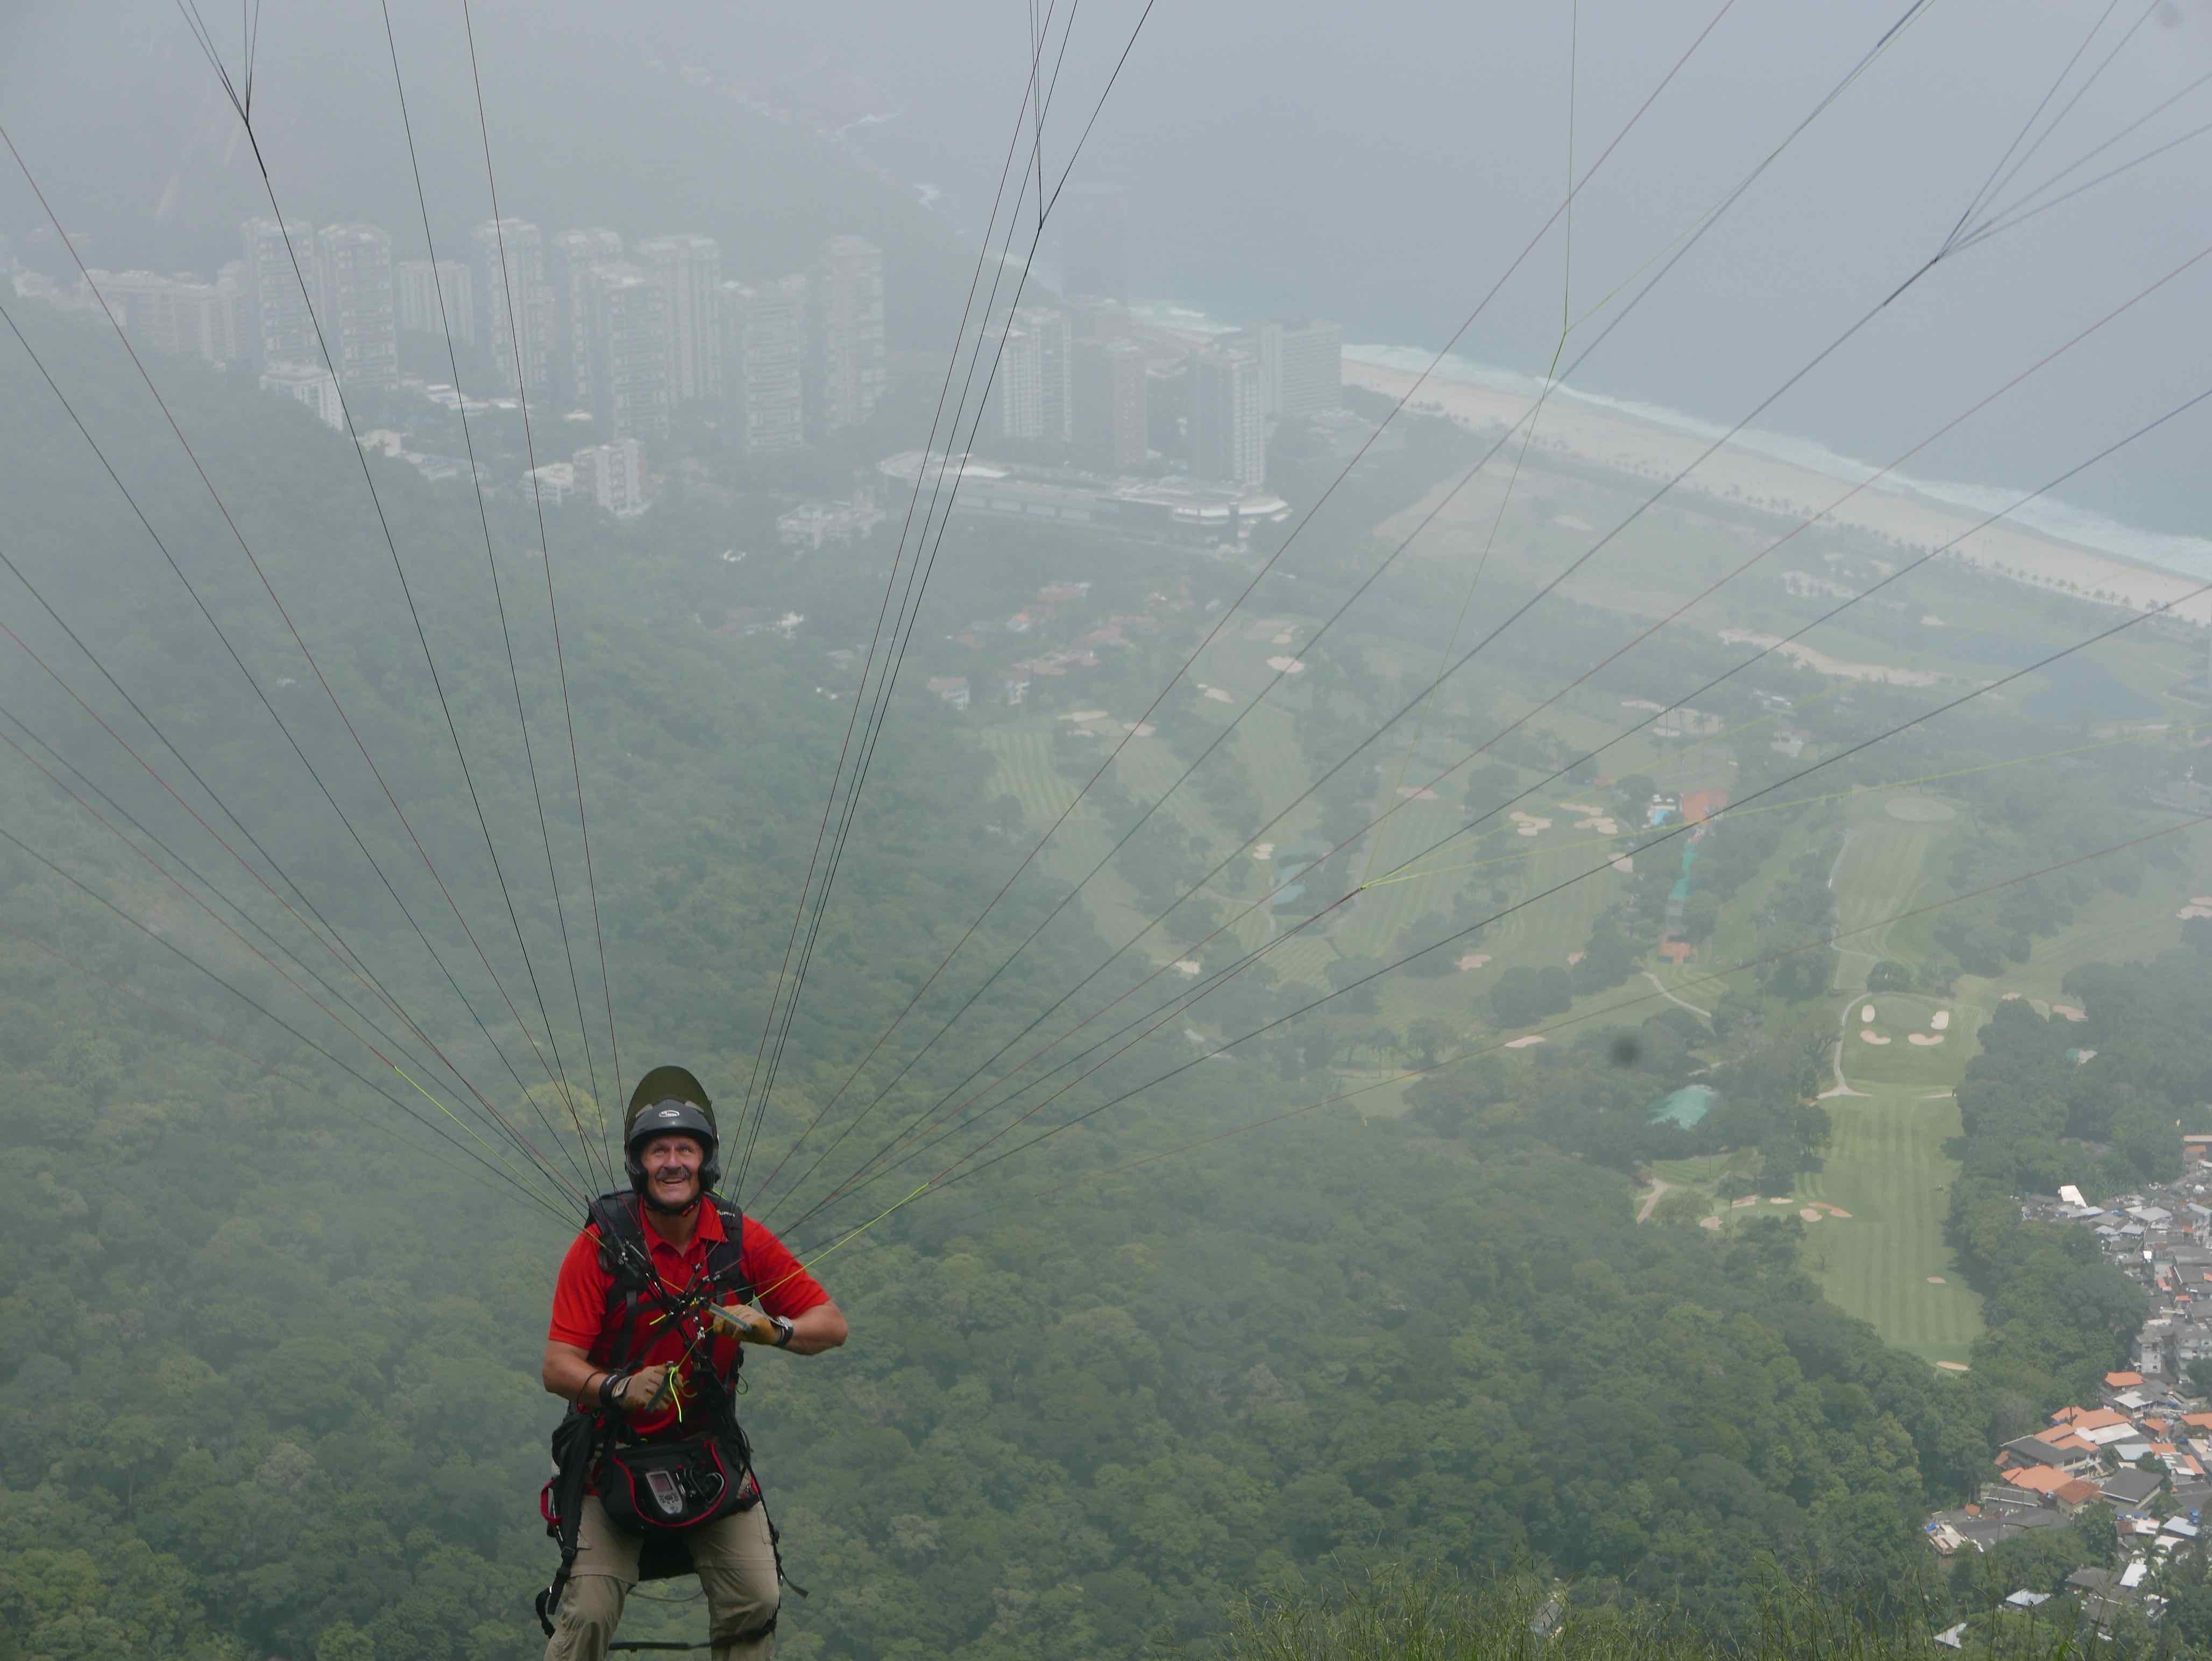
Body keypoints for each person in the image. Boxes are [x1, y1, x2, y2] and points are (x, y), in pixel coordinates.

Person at [540, 1066, 847, 1660]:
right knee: (590, 1614)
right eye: (659, 1151)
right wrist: (618, 1388)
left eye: (686, 1150)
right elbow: (557, 1366)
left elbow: (830, 1324)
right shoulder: (601, 1246)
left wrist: (773, 1330)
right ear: (639, 1164)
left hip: (707, 1450)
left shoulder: (738, 1240)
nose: (673, 1163)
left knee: (756, 1598)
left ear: (705, 1162)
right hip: (610, 1453)